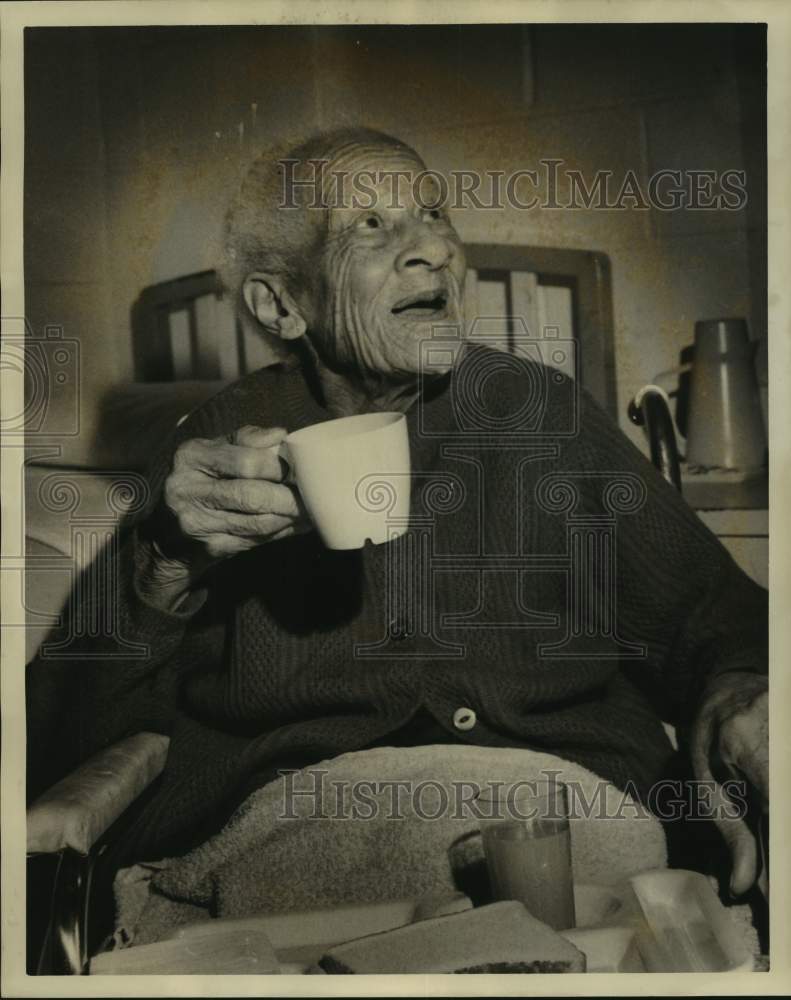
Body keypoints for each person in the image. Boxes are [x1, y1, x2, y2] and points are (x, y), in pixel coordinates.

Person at [27, 127, 768, 898]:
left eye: (434, 214)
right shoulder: (220, 450)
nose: (433, 250)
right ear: (282, 304)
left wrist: (742, 688)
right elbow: (59, 739)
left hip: (564, 814)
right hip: (306, 831)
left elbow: (716, 620)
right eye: (370, 226)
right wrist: (163, 563)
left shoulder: (540, 413)